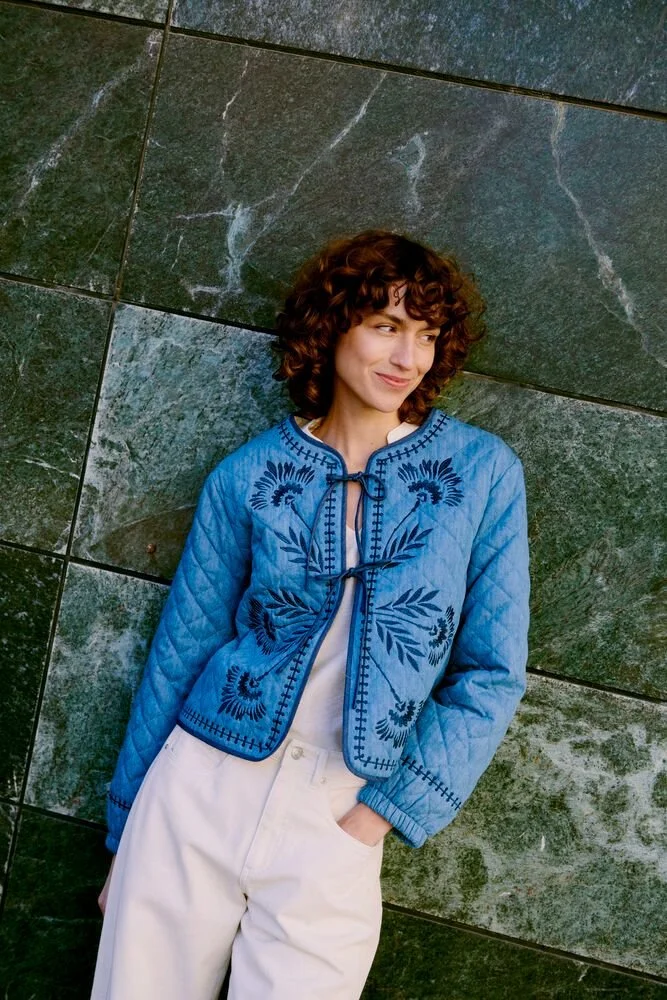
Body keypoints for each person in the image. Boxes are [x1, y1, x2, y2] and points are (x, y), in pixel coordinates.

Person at [91, 228, 531, 999]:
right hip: (197, 790)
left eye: (425, 335)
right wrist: (128, 833)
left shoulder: (480, 473)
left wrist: (376, 818)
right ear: (331, 329)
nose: (408, 357)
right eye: (386, 326)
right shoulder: (249, 475)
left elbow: (490, 675)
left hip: (339, 811)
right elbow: (179, 653)